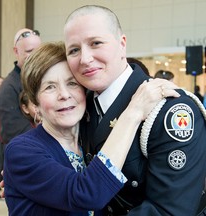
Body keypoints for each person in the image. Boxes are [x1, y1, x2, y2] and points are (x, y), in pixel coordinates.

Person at [3, 42, 180, 216]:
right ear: (35, 104)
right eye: (50, 87)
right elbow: (88, 193)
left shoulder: (91, 139)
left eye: (72, 83)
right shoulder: (22, 150)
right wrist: (133, 112)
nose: (64, 95)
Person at [64, 5, 206, 215]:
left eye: (96, 43)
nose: (85, 58)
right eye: (74, 50)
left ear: (122, 44)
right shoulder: (81, 107)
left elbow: (169, 210)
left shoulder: (170, 109)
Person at [0, 28, 42, 181]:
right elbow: (13, 131)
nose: (35, 56)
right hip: (21, 159)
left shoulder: (39, 76)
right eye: (29, 51)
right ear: (16, 51)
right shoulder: (9, 86)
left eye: (39, 50)